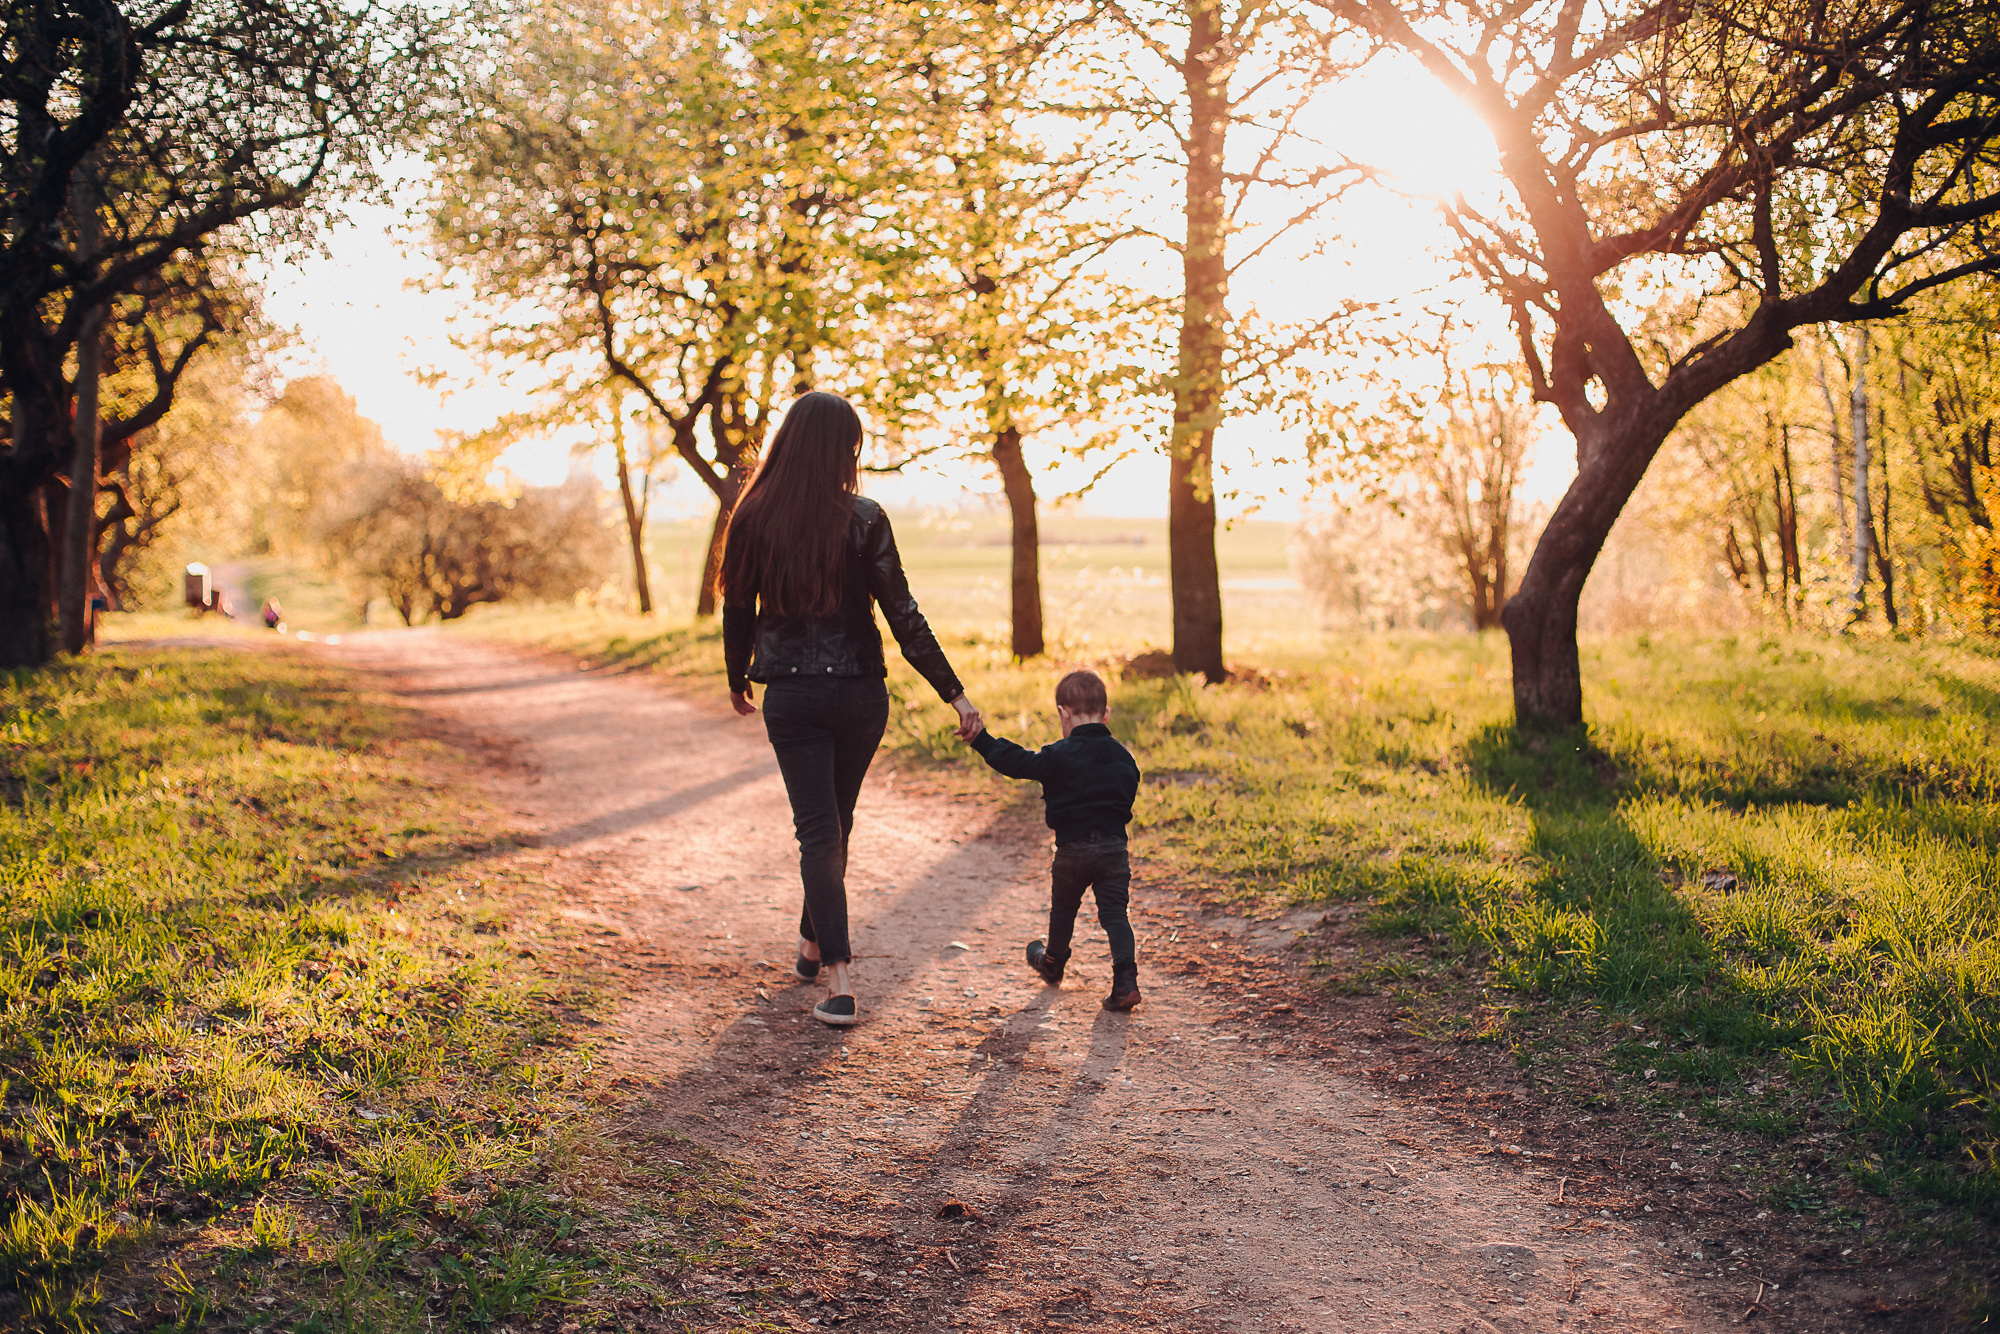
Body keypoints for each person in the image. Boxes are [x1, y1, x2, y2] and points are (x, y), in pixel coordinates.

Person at [720, 391, 982, 1028]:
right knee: (833, 826)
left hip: (793, 696)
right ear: (844, 449)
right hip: (860, 693)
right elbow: (903, 616)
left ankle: (832, 972)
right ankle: (821, 956)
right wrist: (954, 692)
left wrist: (736, 677)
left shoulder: (753, 515)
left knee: (822, 829)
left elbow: (737, 609)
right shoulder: (866, 517)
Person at [965, 669, 1142, 1011]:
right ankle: (1125, 980)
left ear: (1063, 713)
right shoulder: (1124, 757)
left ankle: (1052, 963)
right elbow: (1129, 788)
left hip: (1072, 851)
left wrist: (980, 739)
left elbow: (1016, 762)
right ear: (1106, 714)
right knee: (1115, 915)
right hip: (1113, 850)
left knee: (1064, 909)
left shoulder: (1059, 754)